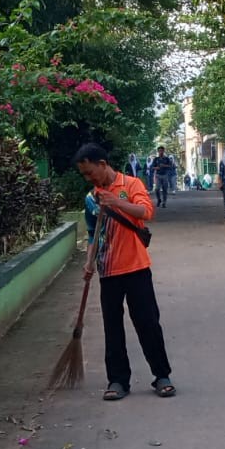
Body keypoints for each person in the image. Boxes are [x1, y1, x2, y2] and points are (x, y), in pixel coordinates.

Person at [75, 142, 176, 401]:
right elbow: (91, 235)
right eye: (85, 175)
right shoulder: (91, 199)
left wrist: (116, 203)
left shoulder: (131, 185)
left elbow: (146, 212)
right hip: (107, 271)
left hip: (136, 267)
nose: (89, 178)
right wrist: (89, 263)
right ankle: (118, 380)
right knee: (112, 327)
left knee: (147, 322)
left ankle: (161, 375)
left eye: (90, 172)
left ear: (102, 164)